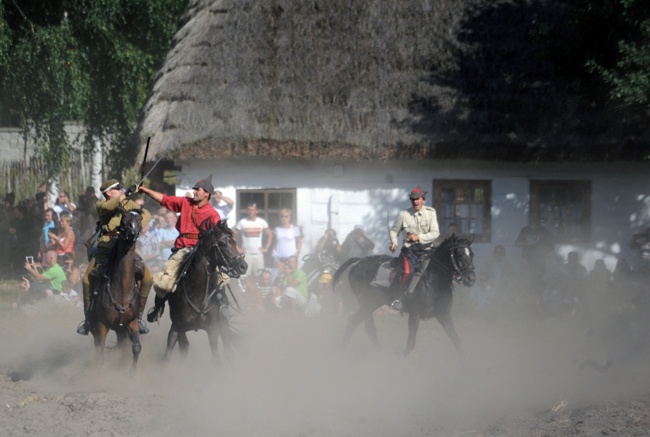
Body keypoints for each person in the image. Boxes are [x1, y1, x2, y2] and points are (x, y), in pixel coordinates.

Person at [138, 174, 222, 322]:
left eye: (198, 190)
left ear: (207, 194)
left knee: (222, 278)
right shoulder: (185, 202)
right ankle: (158, 307)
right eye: (194, 189)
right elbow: (164, 199)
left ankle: (223, 307)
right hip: (181, 250)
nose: (194, 191)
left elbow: (218, 237)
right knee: (165, 278)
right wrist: (145, 190)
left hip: (201, 251)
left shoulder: (213, 214)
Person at [77, 179, 153, 336]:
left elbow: (146, 214)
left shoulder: (128, 204)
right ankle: (88, 320)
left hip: (126, 249)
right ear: (108, 193)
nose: (121, 190)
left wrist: (135, 226)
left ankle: (138, 318)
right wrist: (124, 195)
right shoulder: (102, 204)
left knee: (148, 279)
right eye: (118, 189)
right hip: (106, 248)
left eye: (121, 188)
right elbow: (107, 207)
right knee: (86, 279)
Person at [388, 186, 440, 310]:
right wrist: (394, 242)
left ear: (423, 200)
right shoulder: (404, 215)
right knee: (407, 272)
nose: (415, 202)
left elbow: (435, 233)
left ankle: (442, 299)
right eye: (412, 199)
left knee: (443, 270)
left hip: (427, 252)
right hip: (409, 252)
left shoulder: (431, 213)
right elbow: (394, 231)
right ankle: (398, 297)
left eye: (417, 199)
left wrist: (419, 237)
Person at [514, 211, 554, 297]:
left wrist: (540, 247)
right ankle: (527, 303)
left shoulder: (545, 232)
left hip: (540, 261)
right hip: (526, 260)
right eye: (532, 217)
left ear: (539, 219)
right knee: (526, 281)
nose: (534, 219)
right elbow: (517, 243)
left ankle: (537, 303)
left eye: (536, 217)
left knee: (538, 281)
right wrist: (528, 244)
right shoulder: (525, 230)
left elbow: (551, 248)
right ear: (530, 218)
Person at [234, 203, 273, 286]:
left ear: (256, 211)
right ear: (247, 211)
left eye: (253, 210)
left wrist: (266, 248)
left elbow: (270, 235)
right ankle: (244, 294)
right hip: (246, 254)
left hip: (258, 254)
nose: (251, 212)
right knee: (244, 275)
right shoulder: (242, 222)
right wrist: (237, 248)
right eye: (249, 210)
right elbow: (233, 235)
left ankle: (259, 294)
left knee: (259, 275)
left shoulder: (261, 222)